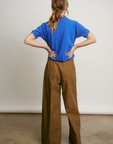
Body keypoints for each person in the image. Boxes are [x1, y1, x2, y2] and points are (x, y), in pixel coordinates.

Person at [24, 0, 96, 144]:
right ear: (66, 7)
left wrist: (46, 47)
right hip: (69, 66)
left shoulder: (46, 26)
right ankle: (75, 140)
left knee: (51, 105)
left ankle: (51, 140)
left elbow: (27, 40)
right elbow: (92, 38)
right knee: (72, 104)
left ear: (53, 7)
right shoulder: (74, 24)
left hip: (52, 67)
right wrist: (74, 47)